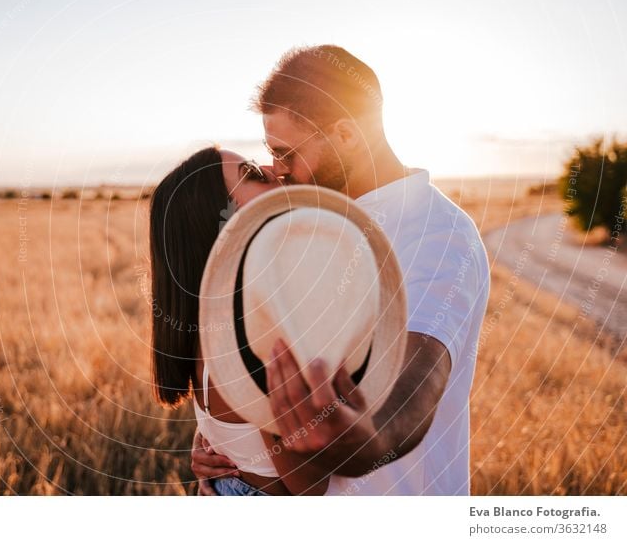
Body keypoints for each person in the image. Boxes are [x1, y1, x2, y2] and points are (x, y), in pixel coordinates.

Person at [191, 45, 491, 495]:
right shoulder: (310, 226)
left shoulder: (436, 234)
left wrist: (366, 441)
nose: (277, 169)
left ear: (347, 136)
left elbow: (417, 380)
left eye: (287, 152)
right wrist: (230, 450)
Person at [148, 146, 335, 495]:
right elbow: (311, 487)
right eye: (250, 173)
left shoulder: (210, 313)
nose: (270, 168)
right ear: (225, 221)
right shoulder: (255, 334)